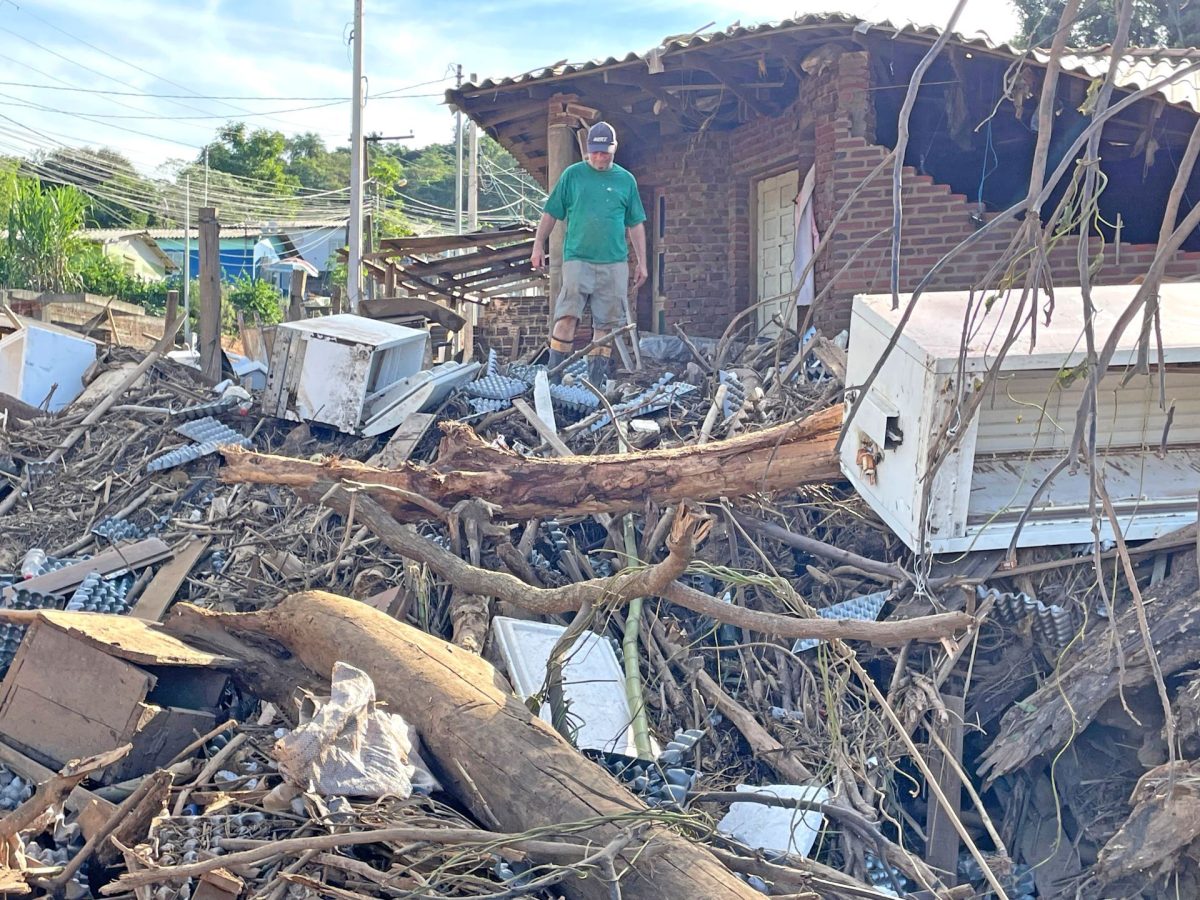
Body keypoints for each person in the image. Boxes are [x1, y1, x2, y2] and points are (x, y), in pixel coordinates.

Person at [530, 121, 647, 385]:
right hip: (578, 259)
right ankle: (553, 380)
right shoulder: (573, 175)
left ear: (614, 149)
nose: (599, 157)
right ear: (587, 149)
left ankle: (595, 385)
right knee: (567, 315)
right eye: (595, 151)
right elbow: (551, 212)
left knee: (604, 326)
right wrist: (538, 245)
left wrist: (642, 262)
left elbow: (636, 223)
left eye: (604, 152)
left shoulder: (626, 180)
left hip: (614, 262)